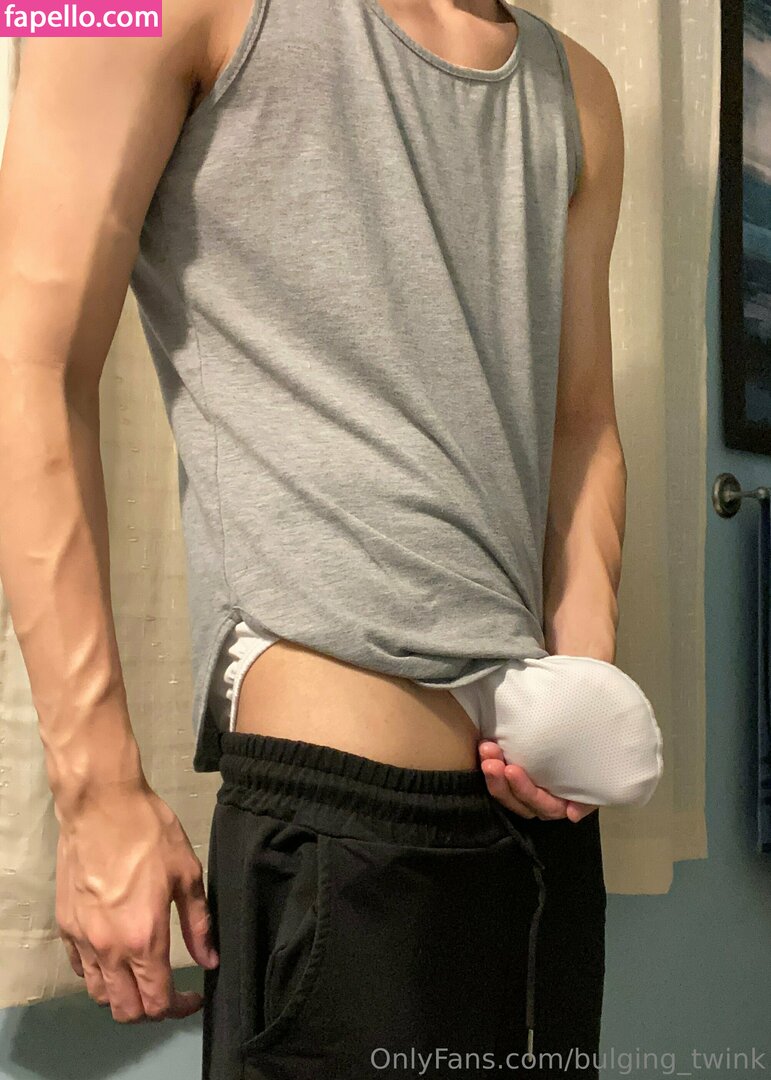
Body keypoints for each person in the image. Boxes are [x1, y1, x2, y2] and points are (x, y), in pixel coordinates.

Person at [0, 1, 632, 1076]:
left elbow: (581, 428)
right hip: (340, 835)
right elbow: (31, 367)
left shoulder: (580, 91)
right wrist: (96, 792)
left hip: (543, 839)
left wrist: (582, 693)